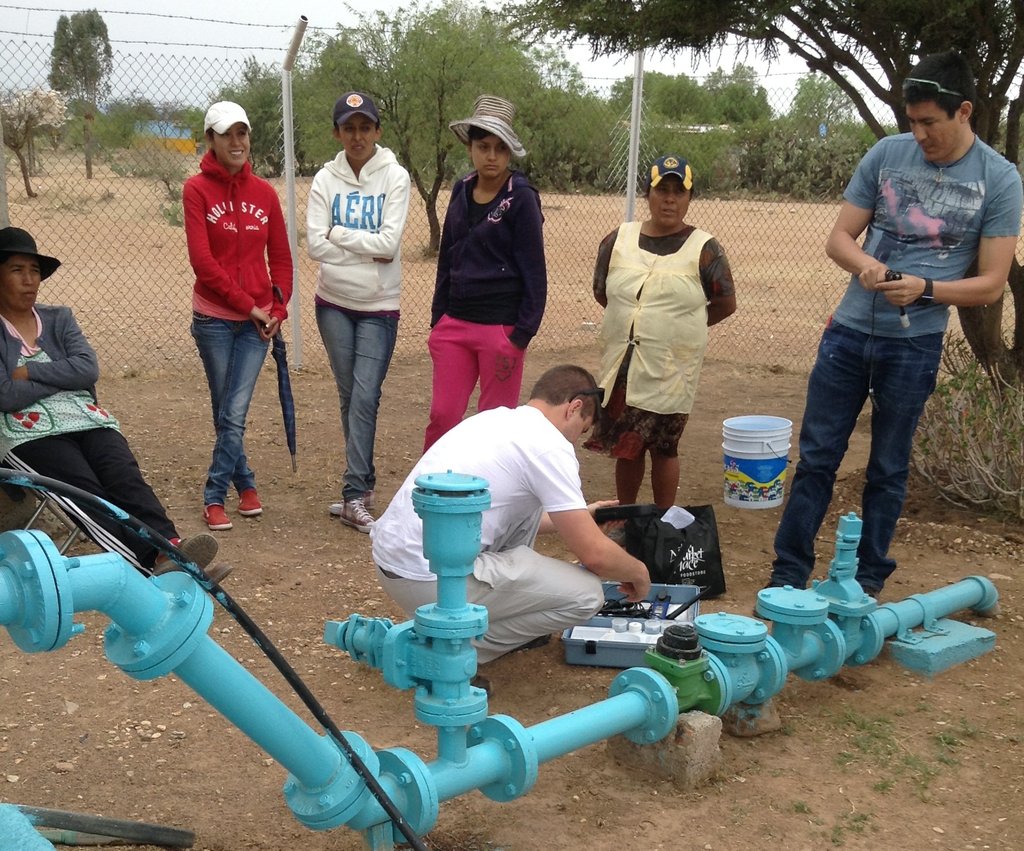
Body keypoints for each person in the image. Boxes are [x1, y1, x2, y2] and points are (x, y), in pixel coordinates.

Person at [767, 51, 1023, 597]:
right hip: (848, 333)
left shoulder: (1000, 179)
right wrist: (868, 266)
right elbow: (839, 238)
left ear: (964, 112)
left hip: (914, 344)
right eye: (912, 121)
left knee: (887, 466)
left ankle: (866, 582)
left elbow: (992, 283)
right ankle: (788, 575)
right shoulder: (887, 154)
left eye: (930, 122)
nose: (919, 134)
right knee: (817, 458)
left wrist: (924, 288)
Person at [372, 364, 651, 664]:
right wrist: (639, 572)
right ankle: (452, 652)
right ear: (574, 407)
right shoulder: (549, 445)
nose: (574, 442)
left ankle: (452, 633)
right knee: (588, 595)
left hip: (397, 567)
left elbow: (506, 513)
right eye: (581, 430)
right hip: (435, 582)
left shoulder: (493, 420)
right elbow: (594, 555)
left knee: (530, 504)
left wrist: (586, 514)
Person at [0, 226, 227, 580]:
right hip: (27, 434)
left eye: (34, 271)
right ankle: (152, 569)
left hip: (87, 418)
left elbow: (87, 369)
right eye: (17, 270)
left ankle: (169, 547)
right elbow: (4, 394)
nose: (30, 280)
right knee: (85, 493)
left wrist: (29, 372)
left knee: (125, 478)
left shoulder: (59, 318)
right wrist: (63, 378)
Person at [585, 155, 736, 509]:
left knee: (665, 446)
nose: (669, 199)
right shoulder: (617, 240)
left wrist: (679, 328)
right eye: (661, 190)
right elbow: (603, 292)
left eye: (678, 192)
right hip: (624, 362)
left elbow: (725, 303)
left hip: (672, 367)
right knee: (628, 445)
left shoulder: (705, 249)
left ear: (689, 198)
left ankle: (663, 523)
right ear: (648, 194)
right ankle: (626, 517)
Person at [184, 101, 293, 532]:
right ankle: (243, 482)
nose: (236, 142)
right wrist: (249, 305)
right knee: (226, 408)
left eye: (242, 133)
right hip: (215, 318)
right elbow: (203, 263)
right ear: (210, 139)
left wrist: (278, 309)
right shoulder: (196, 190)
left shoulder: (264, 194)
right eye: (226, 134)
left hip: (257, 322)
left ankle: (215, 494)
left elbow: (281, 259)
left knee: (233, 408)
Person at [306, 92, 411, 534]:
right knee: (350, 396)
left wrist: (338, 234)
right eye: (348, 128)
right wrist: (361, 250)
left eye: (365, 127)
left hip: (378, 306)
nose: (357, 136)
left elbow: (389, 245)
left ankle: (354, 492)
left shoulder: (395, 176)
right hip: (332, 303)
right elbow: (315, 246)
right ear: (337, 133)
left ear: (377, 131)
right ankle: (360, 490)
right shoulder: (324, 179)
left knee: (366, 395)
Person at [424, 94, 547, 451]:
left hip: (501, 328)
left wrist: (521, 334)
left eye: (500, 148)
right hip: (455, 324)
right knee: (443, 415)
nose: (491, 156)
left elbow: (535, 271)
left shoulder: (521, 197)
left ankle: (491, 486)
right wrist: (439, 319)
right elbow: (448, 256)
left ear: (509, 152)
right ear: (470, 148)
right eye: (483, 147)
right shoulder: (461, 189)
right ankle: (432, 482)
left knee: (494, 425)